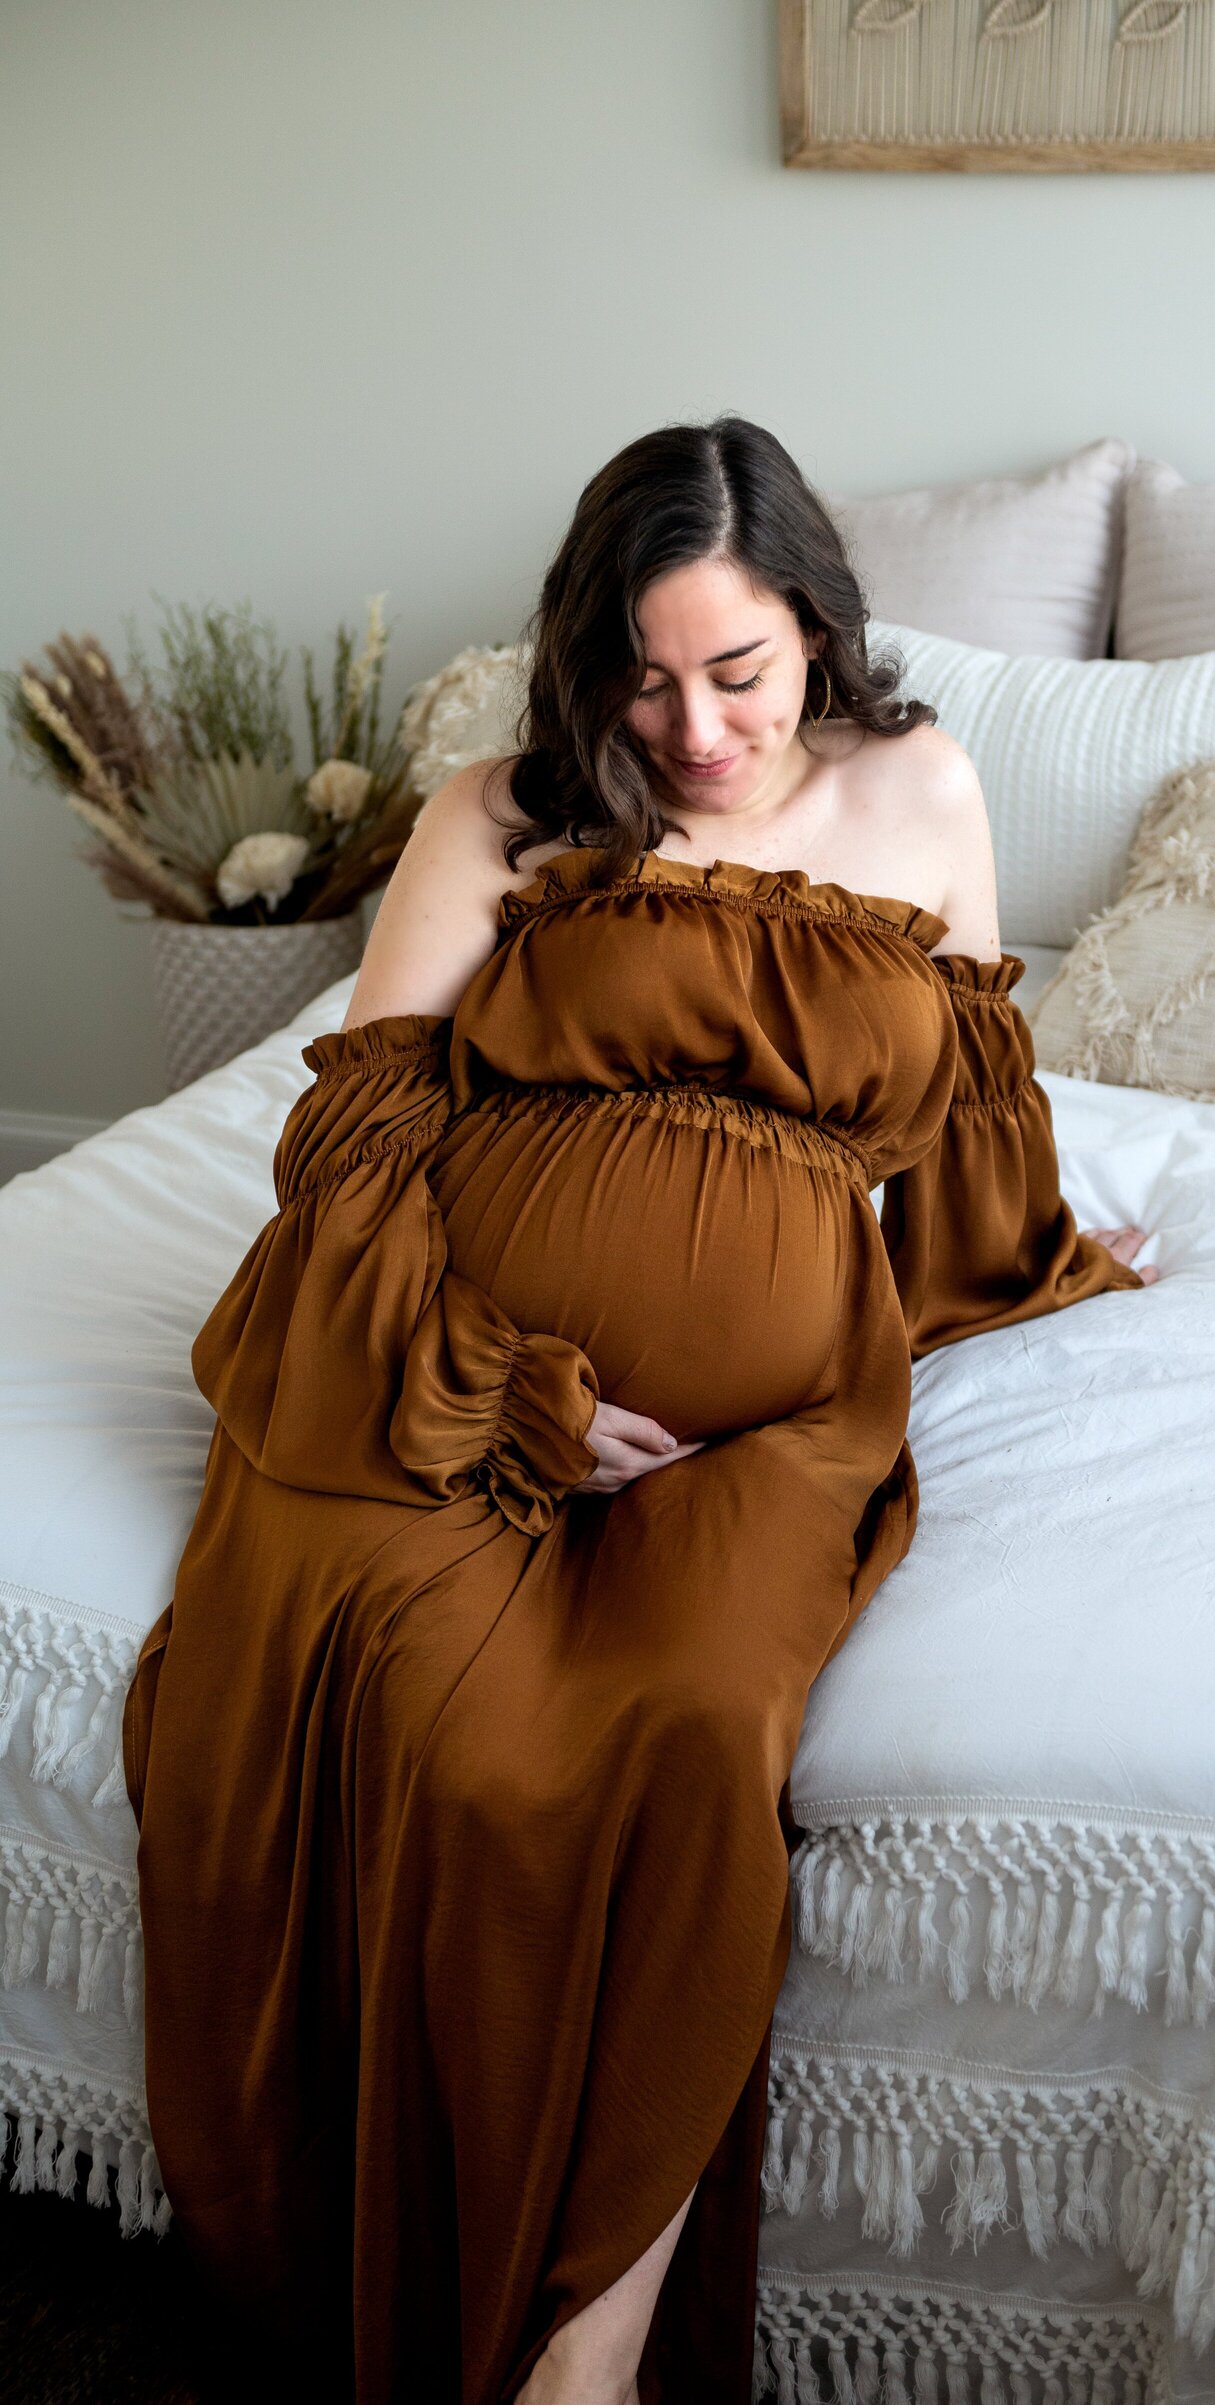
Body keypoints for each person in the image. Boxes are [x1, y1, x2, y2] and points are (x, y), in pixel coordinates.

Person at [121, 413, 1155, 2405]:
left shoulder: (921, 790)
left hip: (767, 1436)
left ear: (818, 635)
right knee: (439, 1722)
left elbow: (962, 1101)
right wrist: (486, 1382)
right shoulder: (497, 814)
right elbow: (353, 1144)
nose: (691, 730)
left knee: (694, 1729)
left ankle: (576, 2363)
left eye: (738, 673)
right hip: (439, 1380)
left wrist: (1028, 1244)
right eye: (643, 677)